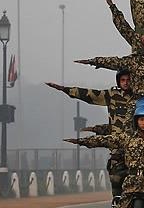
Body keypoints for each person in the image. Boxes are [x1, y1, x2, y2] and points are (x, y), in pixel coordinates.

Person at [45, 69, 132, 197]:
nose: (125, 83)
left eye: (128, 80)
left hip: (138, 146)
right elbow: (90, 94)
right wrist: (66, 90)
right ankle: (118, 207)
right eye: (123, 80)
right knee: (116, 180)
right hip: (117, 147)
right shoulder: (112, 95)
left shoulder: (141, 97)